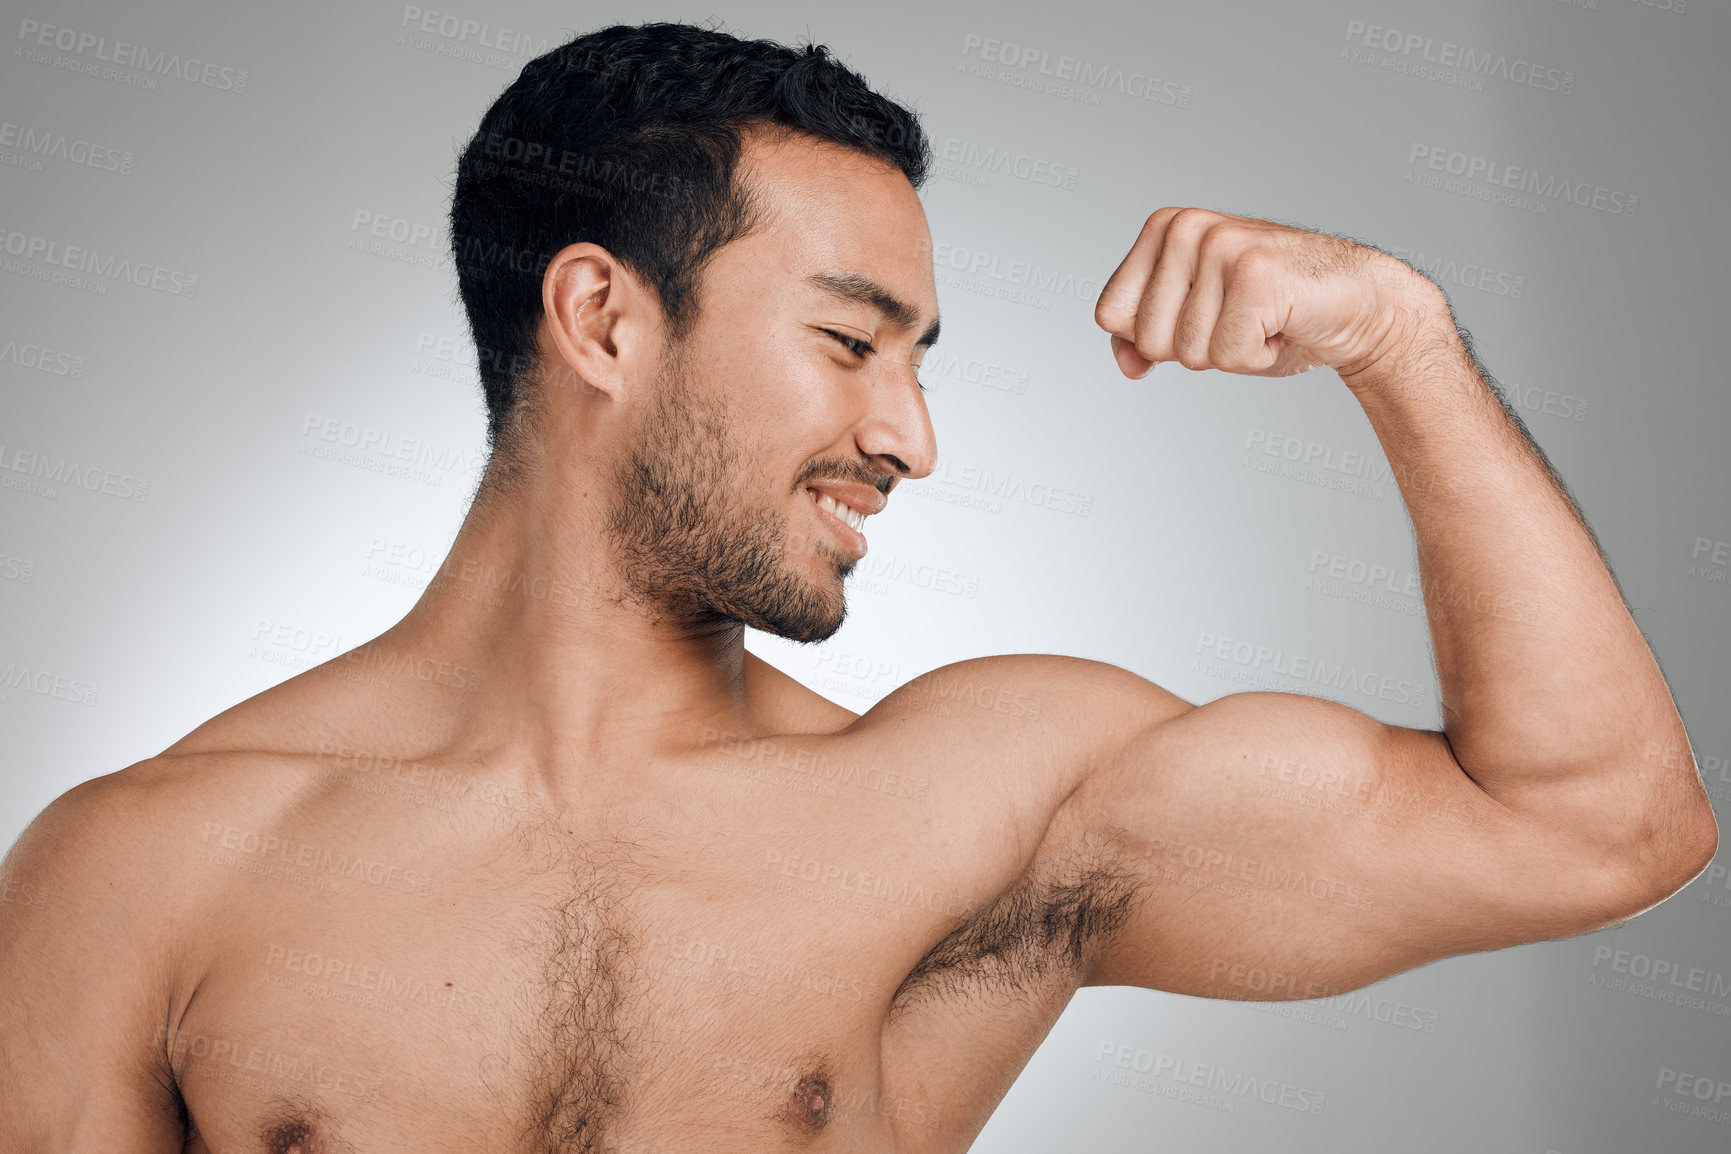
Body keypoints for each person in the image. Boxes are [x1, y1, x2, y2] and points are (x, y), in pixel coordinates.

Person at [0, 21, 1714, 1153]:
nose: (907, 433)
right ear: (603, 318)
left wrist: (1397, 341)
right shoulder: (146, 866)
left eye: (918, 361)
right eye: (847, 342)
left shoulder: (972, 807)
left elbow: (1599, 825)